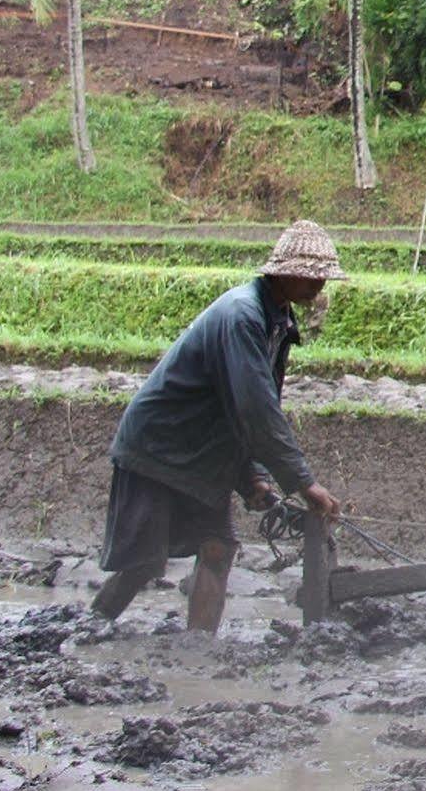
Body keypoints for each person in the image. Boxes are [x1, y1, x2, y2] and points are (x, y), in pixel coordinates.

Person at [92, 220, 346, 632]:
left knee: (218, 547)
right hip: (159, 446)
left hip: (200, 451)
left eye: (323, 276)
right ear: (283, 271)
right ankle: (90, 628)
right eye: (312, 274)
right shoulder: (243, 316)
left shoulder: (277, 321)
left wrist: (254, 478)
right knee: (143, 561)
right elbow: (255, 409)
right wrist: (302, 482)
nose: (319, 284)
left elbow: (243, 407)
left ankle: (198, 651)